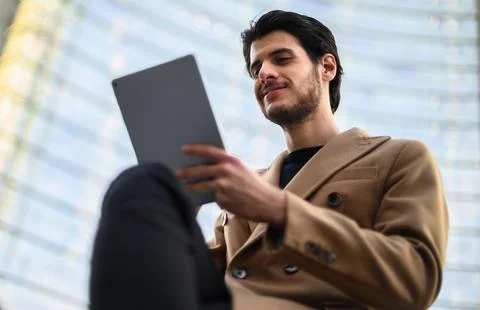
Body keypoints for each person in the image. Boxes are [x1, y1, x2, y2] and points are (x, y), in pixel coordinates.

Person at [89, 10, 449, 310]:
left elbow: (414, 278)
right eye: (255, 67)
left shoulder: (399, 157)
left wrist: (280, 211)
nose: (264, 73)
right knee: (143, 184)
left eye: (282, 58)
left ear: (327, 68)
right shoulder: (243, 190)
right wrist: (181, 206)